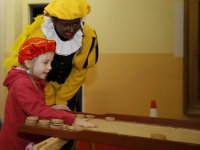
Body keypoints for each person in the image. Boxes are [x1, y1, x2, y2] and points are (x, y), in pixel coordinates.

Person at [0, 37, 97, 150]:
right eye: (45, 63)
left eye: (51, 63)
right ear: (27, 62)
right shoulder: (22, 84)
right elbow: (36, 110)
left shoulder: (31, 79)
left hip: (28, 136)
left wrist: (51, 108)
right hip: (17, 142)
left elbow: (31, 106)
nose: (50, 67)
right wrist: (72, 119)